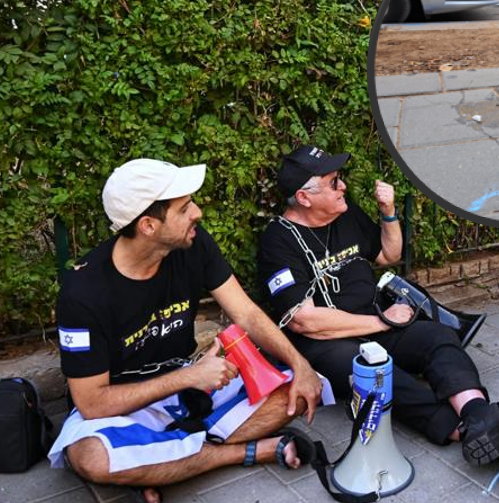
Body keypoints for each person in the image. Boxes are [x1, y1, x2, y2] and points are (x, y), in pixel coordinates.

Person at [257, 145, 499, 482]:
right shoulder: (277, 242)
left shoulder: (344, 212)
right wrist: (382, 321)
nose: (344, 187)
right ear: (304, 197)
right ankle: (465, 430)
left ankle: (479, 416)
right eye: (334, 182)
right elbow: (304, 320)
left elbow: (387, 255)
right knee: (377, 373)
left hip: (376, 317)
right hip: (328, 342)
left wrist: (388, 212)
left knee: (437, 337)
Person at [47, 159, 325, 503]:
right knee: (90, 457)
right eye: (184, 207)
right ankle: (243, 452)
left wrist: (301, 365)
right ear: (148, 225)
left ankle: (160, 459)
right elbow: (91, 404)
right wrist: (189, 377)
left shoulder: (193, 244)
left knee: (295, 393)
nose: (198, 212)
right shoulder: (83, 293)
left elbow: (247, 314)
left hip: (193, 387)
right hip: (124, 404)